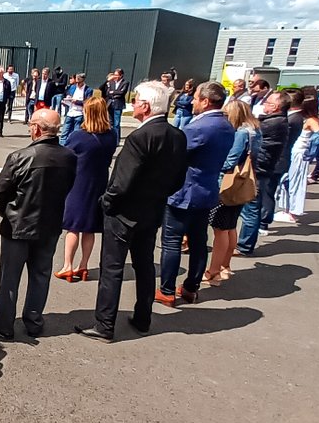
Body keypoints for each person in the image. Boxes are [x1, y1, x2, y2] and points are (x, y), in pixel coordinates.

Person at [78, 82, 189, 342]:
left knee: (111, 268)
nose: (134, 104)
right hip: (152, 211)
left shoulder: (140, 137)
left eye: (137, 100)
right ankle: (143, 318)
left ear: (146, 106)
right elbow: (177, 180)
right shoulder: (177, 135)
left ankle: (104, 325)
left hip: (124, 213)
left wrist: (107, 202)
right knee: (144, 265)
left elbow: (122, 182)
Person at [0, 108, 76, 340]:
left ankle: (3, 324)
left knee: (9, 278)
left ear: (36, 129)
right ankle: (34, 321)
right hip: (50, 224)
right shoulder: (69, 157)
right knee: (40, 274)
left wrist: (8, 214)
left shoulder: (20, 157)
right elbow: (67, 187)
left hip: (18, 226)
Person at [157, 81, 235, 305]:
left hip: (185, 191)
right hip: (207, 190)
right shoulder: (226, 124)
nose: (192, 101)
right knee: (199, 242)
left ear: (206, 101)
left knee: (172, 241)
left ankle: (167, 290)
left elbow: (175, 155)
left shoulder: (199, 127)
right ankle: (191, 287)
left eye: (196, 98)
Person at [55, 96, 117, 282]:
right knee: (89, 227)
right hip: (99, 182)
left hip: (79, 182)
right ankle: (83, 265)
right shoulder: (111, 135)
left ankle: (68, 265)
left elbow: (66, 155)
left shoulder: (78, 137)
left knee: (73, 227)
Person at [204, 101, 261, 285]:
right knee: (230, 226)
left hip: (228, 184)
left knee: (220, 229)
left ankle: (213, 271)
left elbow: (229, 162)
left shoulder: (240, 134)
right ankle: (225, 266)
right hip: (243, 184)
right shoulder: (255, 131)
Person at [236, 92, 289, 255]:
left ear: (275, 107)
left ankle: (245, 246)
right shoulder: (275, 120)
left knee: (251, 207)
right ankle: (244, 243)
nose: (264, 104)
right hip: (262, 167)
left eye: (267, 102)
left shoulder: (273, 122)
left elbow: (249, 131)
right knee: (251, 206)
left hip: (258, 169)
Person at [273, 97, 319, 223]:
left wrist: (316, 150)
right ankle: (287, 209)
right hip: (295, 153)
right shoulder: (305, 119)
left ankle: (293, 212)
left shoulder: (312, 120)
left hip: (300, 154)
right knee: (286, 181)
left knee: (296, 182)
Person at [58, 72, 90, 146]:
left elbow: (88, 103)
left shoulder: (88, 90)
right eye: (77, 82)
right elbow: (68, 95)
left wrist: (77, 102)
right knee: (64, 133)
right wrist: (65, 100)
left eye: (79, 82)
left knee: (76, 134)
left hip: (79, 113)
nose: (78, 84)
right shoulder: (72, 87)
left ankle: (73, 148)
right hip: (70, 112)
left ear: (83, 80)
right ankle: (61, 148)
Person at [100, 69, 129, 138]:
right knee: (110, 122)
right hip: (110, 104)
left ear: (121, 75)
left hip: (118, 104)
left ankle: (116, 139)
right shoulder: (112, 82)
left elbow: (122, 93)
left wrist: (113, 92)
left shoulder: (125, 83)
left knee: (116, 123)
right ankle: (111, 137)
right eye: (114, 75)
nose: (115, 77)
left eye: (117, 75)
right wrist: (108, 81)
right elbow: (106, 92)